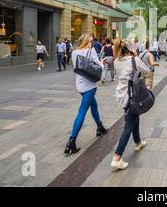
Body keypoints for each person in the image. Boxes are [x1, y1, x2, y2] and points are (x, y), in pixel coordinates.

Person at [64, 33, 107, 156]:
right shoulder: (91, 50)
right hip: (90, 85)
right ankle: (71, 141)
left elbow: (78, 67)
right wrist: (102, 61)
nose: (92, 42)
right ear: (88, 41)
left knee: (94, 105)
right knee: (82, 111)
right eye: (91, 40)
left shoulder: (74, 52)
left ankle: (100, 127)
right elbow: (99, 67)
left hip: (79, 85)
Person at [111, 39, 151, 170]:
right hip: (132, 96)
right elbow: (147, 71)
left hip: (121, 94)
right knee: (128, 125)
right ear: (130, 49)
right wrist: (136, 57)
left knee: (134, 117)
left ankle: (138, 142)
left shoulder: (116, 61)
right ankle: (117, 157)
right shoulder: (134, 60)